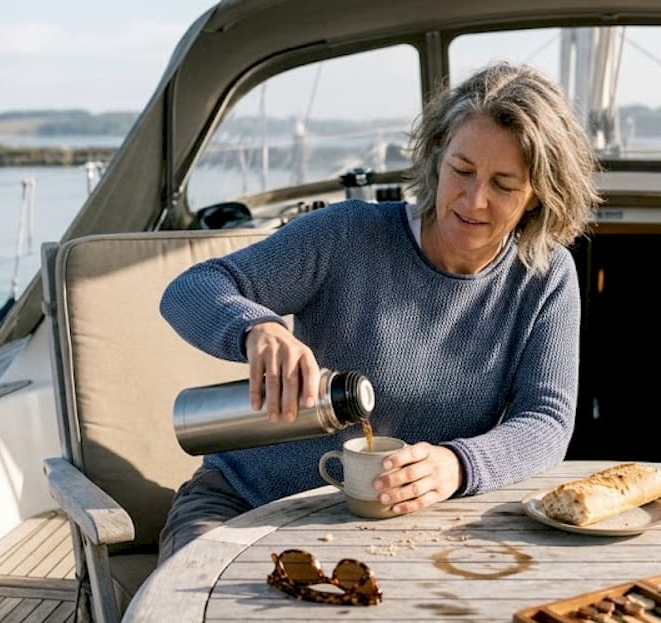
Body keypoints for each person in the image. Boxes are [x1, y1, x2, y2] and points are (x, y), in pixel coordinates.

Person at [158, 61, 599, 562]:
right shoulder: (347, 234)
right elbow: (192, 288)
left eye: (503, 184)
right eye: (462, 170)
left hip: (396, 528)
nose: (474, 200)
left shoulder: (544, 276)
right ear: (436, 156)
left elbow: (546, 420)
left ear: (538, 193)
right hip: (244, 504)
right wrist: (256, 328)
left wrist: (458, 465)